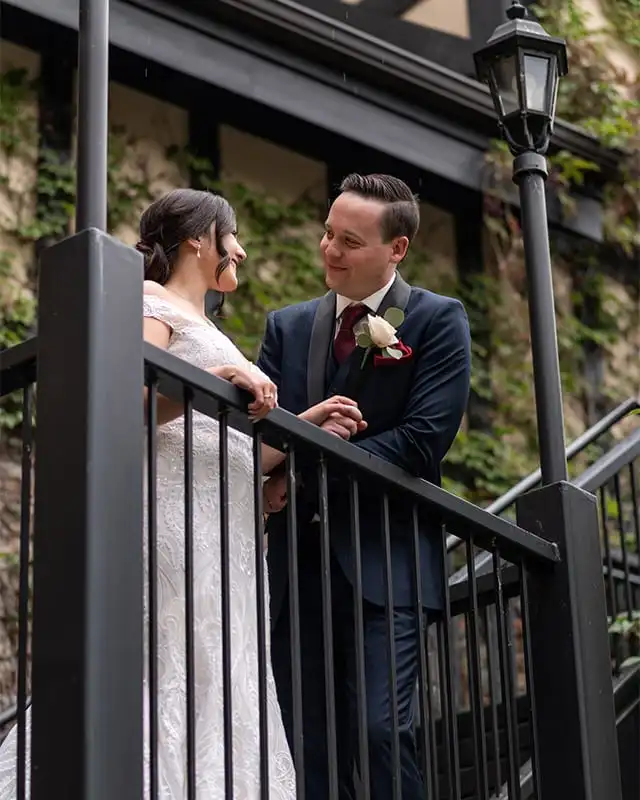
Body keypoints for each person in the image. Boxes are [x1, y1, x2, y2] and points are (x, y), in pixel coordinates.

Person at [0, 188, 365, 799]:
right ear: (201, 239)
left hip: (229, 533)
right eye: (233, 237)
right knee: (173, 662)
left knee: (221, 671)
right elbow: (126, 398)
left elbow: (224, 448)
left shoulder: (206, 323)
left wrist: (301, 433)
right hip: (180, 523)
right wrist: (214, 381)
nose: (241, 252)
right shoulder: (152, 301)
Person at [258, 173, 471, 799]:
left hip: (388, 564)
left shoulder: (435, 320)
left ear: (396, 249)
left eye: (349, 241)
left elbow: (421, 441)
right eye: (328, 233)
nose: (330, 250)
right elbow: (261, 437)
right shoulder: (287, 327)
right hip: (297, 571)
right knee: (307, 744)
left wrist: (309, 461)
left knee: (384, 729)